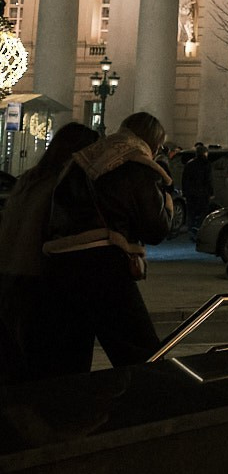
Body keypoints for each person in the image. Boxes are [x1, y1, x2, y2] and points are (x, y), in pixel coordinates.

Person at [35, 112, 176, 376]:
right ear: (154, 142)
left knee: (69, 360)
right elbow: (155, 229)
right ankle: (151, 411)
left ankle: (70, 413)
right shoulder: (137, 164)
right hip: (103, 266)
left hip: (60, 265)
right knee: (142, 354)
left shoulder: (80, 161)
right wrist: (167, 202)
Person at [0, 123, 101, 382]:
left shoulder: (29, 179)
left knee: (21, 366)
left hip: (10, 278)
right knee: (56, 373)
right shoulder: (66, 186)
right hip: (43, 283)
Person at [181, 142, 215, 234]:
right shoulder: (206, 164)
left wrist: (185, 193)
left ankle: (191, 229)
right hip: (203, 193)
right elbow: (208, 180)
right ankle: (199, 230)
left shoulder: (189, 164)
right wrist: (211, 193)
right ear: (205, 153)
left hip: (191, 193)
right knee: (203, 212)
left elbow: (185, 180)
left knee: (191, 212)